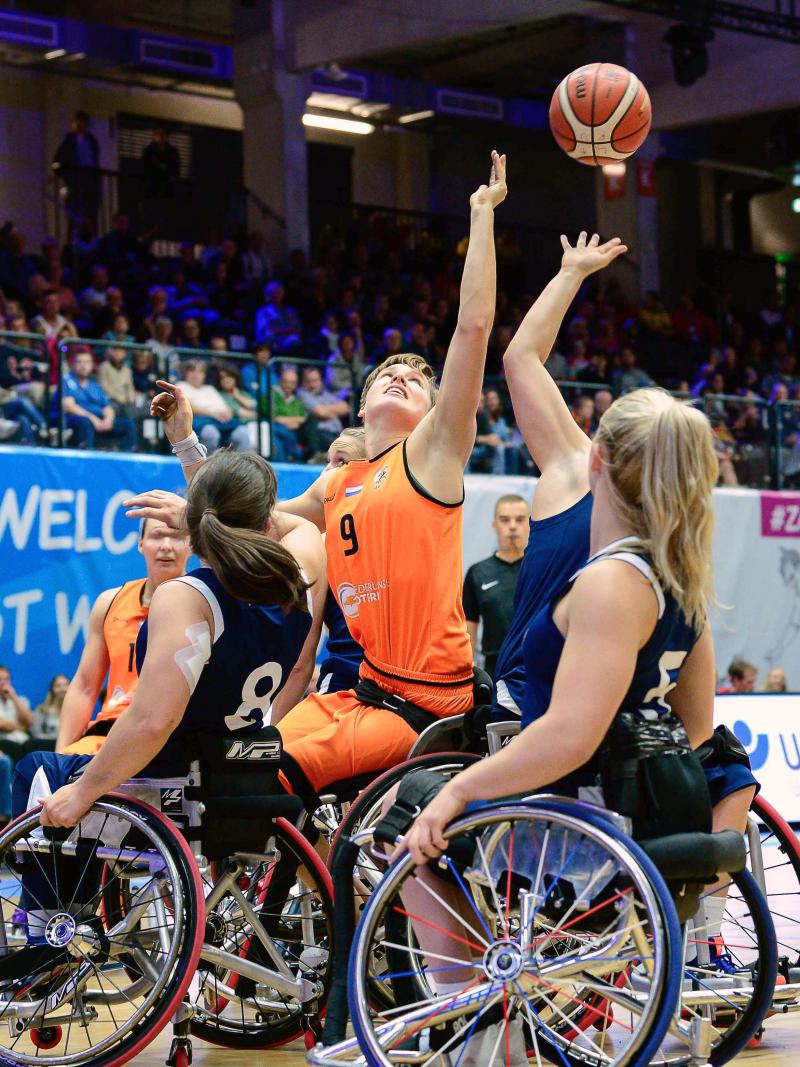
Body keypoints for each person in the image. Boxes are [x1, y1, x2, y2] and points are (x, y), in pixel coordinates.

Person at [127, 150, 507, 799]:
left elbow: (472, 328)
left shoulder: (435, 454)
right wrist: (186, 441)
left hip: (428, 700)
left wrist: (481, 218)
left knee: (260, 776)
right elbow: (242, 510)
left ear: (433, 408)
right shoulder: (339, 484)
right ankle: (299, 891)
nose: (401, 376)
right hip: (363, 689)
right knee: (241, 757)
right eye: (388, 371)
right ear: (359, 405)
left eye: (417, 379)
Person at [56, 519, 192, 756]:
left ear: (192, 544)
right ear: (141, 544)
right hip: (111, 731)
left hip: (173, 731)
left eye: (177, 536)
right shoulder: (110, 603)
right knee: (41, 770)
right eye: (157, 535)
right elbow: (85, 686)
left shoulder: (203, 604)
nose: (166, 546)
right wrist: (59, 756)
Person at [317, 429, 367, 695]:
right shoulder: (318, 540)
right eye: (327, 461)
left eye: (340, 461)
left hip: (400, 682)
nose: (327, 471)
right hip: (344, 678)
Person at [462, 494, 529, 678]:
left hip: (533, 667)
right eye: (505, 520)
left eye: (520, 520)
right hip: (495, 670)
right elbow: (468, 632)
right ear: (494, 525)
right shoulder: (478, 572)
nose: (512, 526)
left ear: (529, 525)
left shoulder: (541, 569)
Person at [54, 348, 138, 451]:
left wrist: (108, 420)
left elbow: (107, 407)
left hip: (99, 421)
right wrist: (93, 419)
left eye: (87, 362)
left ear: (92, 365)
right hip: (75, 419)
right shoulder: (66, 381)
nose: (83, 366)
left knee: (128, 425)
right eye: (79, 362)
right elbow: (69, 406)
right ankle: (87, 455)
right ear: (72, 364)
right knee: (85, 422)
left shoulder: (95, 385)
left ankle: (129, 458)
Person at [178, 359, 251, 452]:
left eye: (200, 372)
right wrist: (212, 413)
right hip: (197, 424)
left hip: (220, 422)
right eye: (192, 371)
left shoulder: (210, 388)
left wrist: (227, 412)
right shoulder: (181, 386)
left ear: (204, 375)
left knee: (242, 432)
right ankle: (207, 466)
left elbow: (225, 407)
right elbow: (186, 406)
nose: (196, 375)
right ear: (186, 374)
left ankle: (242, 466)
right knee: (210, 433)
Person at [52, 111, 100, 233]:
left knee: (90, 214)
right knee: (74, 215)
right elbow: (57, 163)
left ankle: (90, 241)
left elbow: (94, 161)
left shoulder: (91, 141)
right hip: (75, 183)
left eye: (81, 122)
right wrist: (67, 176)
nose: (78, 125)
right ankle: (72, 242)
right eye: (76, 122)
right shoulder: (68, 142)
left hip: (89, 182)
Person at [0, 665, 33, 762]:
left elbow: (29, 721)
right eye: (0, 679)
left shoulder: (19, 700)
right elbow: (3, 725)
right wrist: (21, 727)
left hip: (23, 740)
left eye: (6, 679)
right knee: (14, 748)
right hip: (4, 741)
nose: (3, 683)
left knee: (33, 745)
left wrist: (13, 697)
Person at [29, 674, 69, 750]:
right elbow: (35, 732)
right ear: (52, 689)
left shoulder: (75, 710)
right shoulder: (42, 709)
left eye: (65, 685)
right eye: (58, 686)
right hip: (47, 745)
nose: (62, 689)